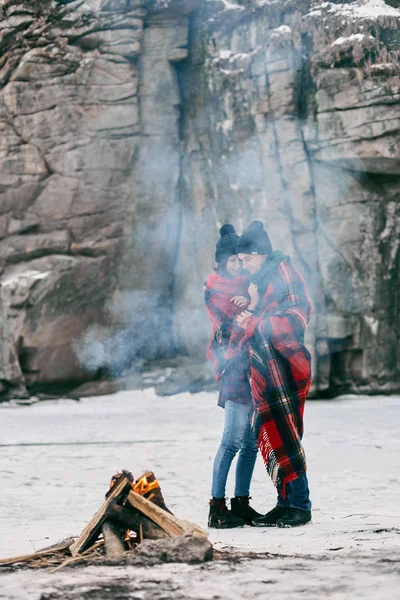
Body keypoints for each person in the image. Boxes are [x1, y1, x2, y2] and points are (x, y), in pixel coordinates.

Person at [231, 221, 313, 528]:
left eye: (247, 258)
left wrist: (256, 322)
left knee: (287, 435)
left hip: (286, 368)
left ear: (261, 253)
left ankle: (301, 505)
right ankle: (284, 503)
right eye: (240, 260)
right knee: (275, 434)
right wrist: (250, 315)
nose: (244, 265)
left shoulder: (283, 273)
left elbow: (297, 316)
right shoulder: (261, 279)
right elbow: (259, 317)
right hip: (267, 370)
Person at [204, 224, 262, 529]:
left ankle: (241, 504)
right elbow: (231, 327)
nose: (238, 267)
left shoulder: (248, 286)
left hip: (255, 368)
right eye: (232, 262)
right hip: (234, 370)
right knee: (231, 441)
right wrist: (251, 305)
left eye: (240, 261)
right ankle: (217, 506)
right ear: (220, 264)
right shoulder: (214, 289)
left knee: (252, 442)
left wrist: (252, 302)